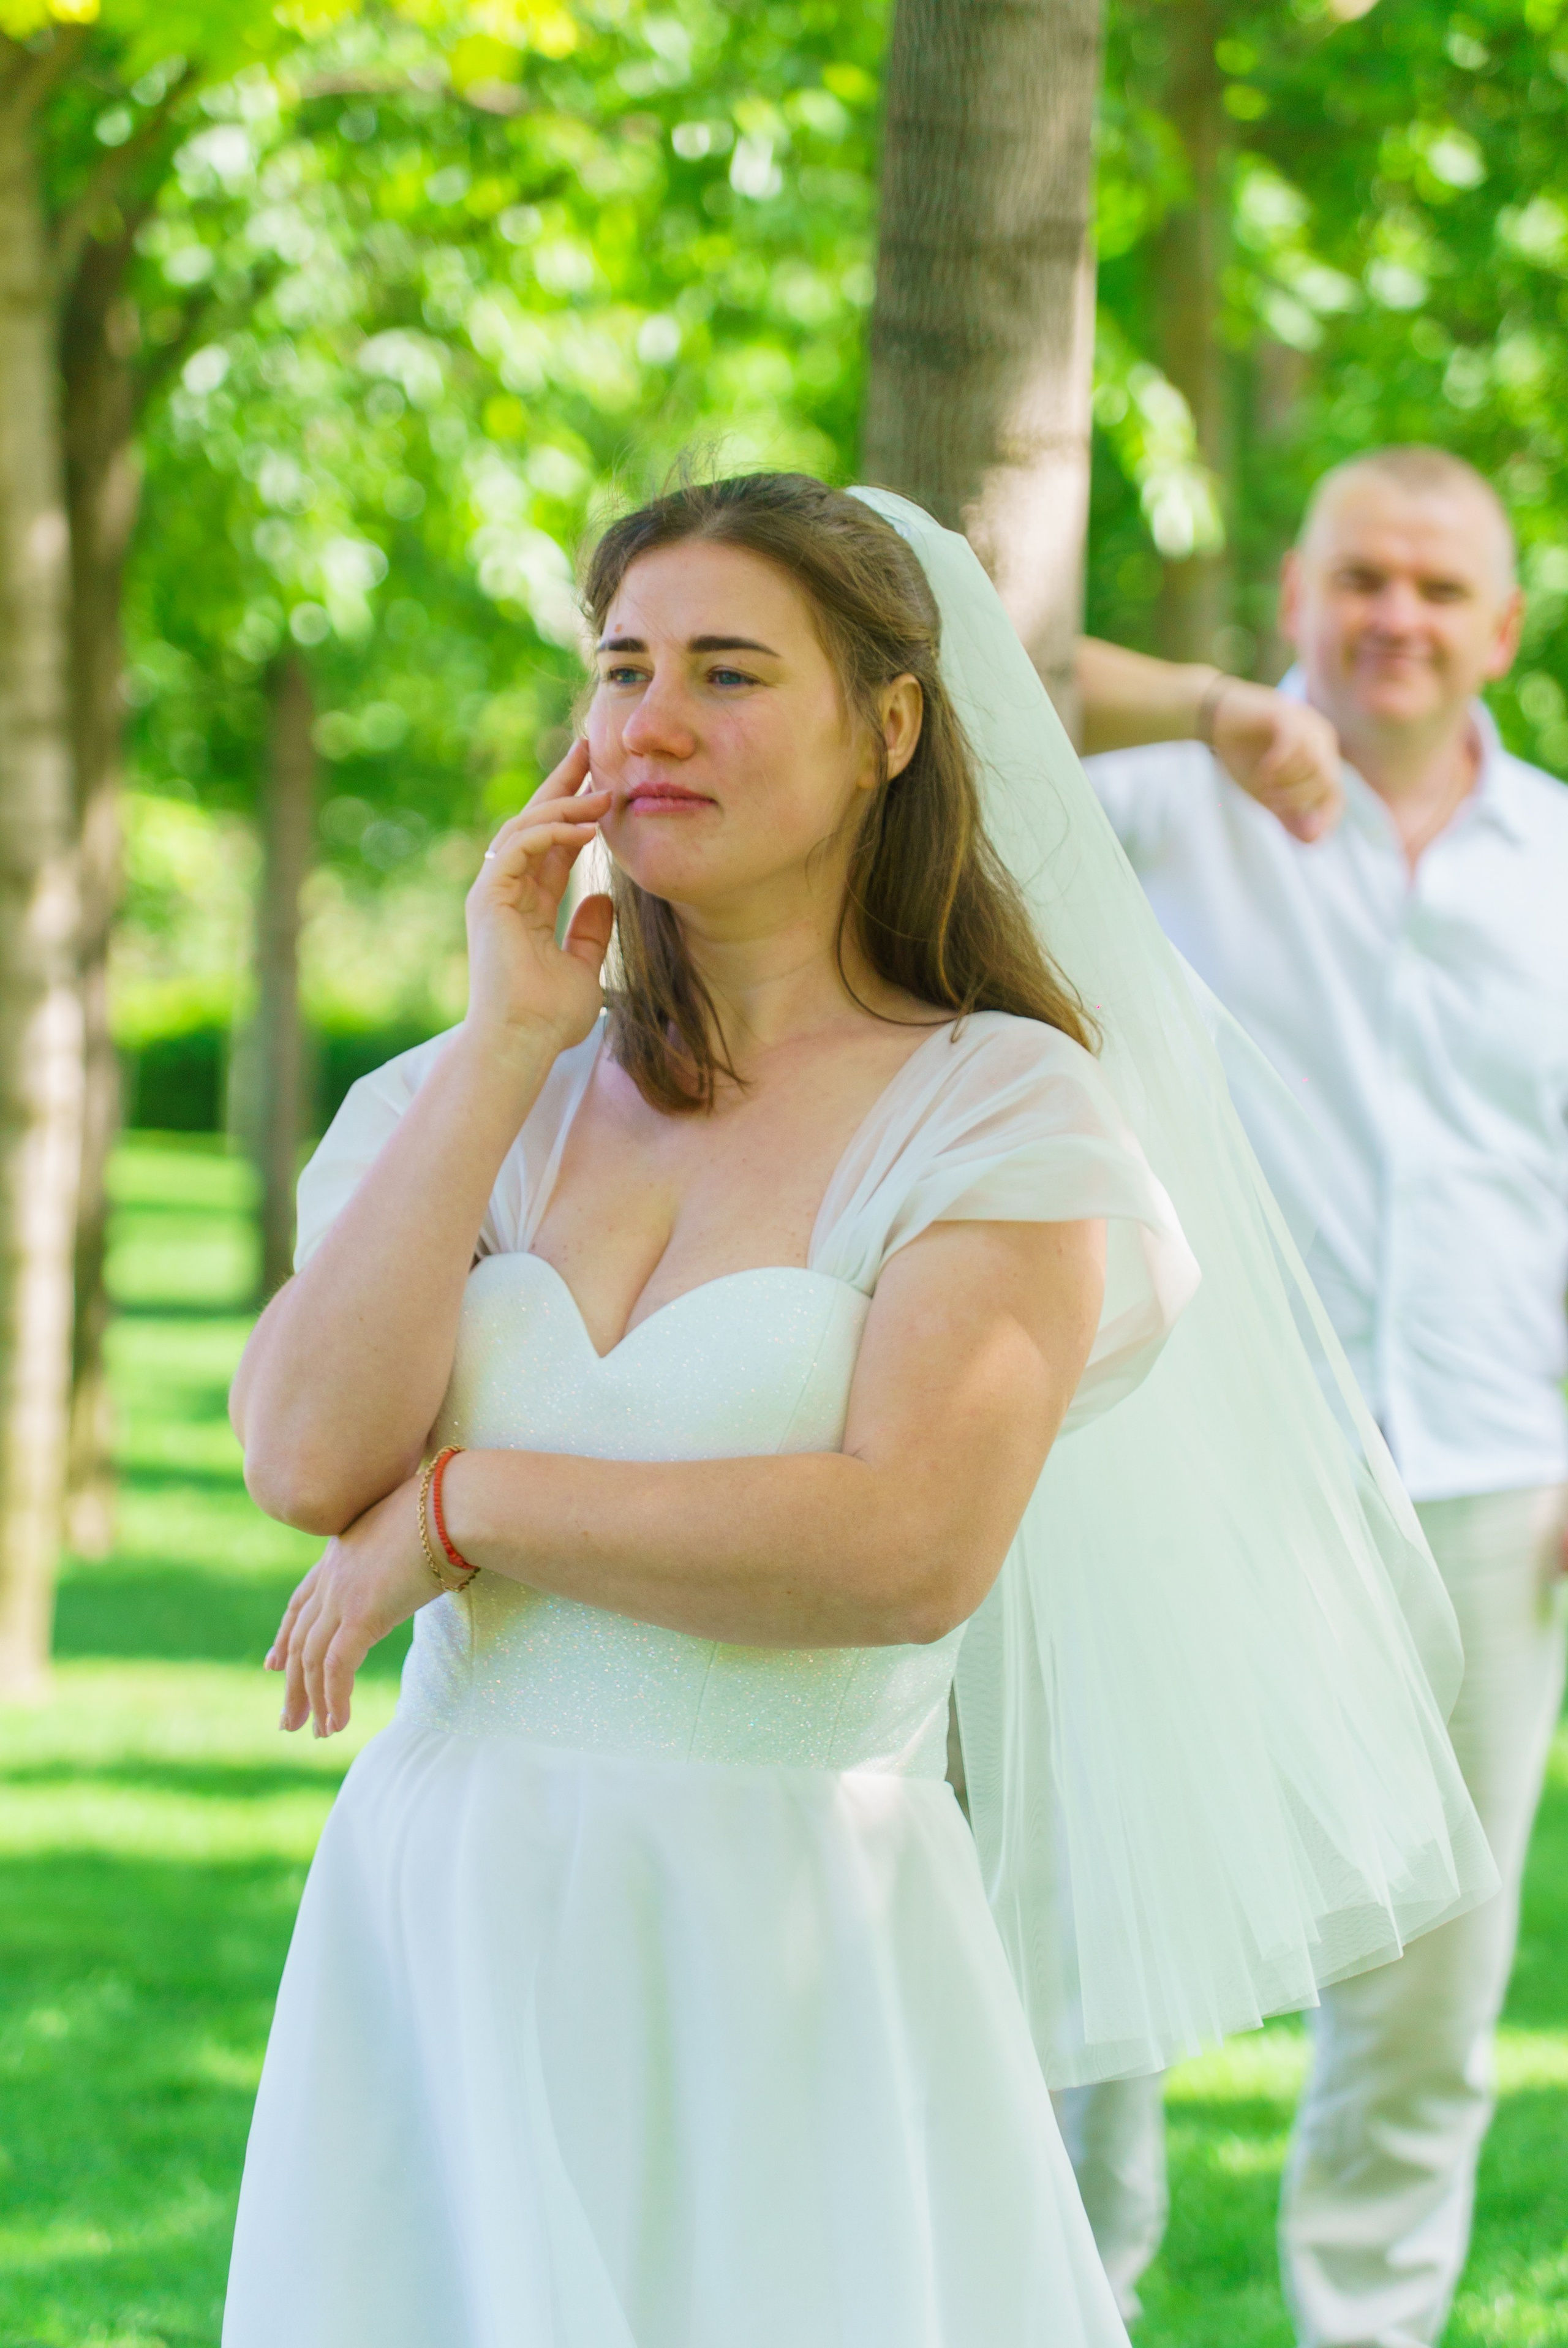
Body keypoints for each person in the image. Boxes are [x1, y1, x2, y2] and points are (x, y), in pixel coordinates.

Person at [221, 475, 1489, 2348]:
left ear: (890, 724)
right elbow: (306, 1460)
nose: (649, 723)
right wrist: (503, 1046)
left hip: (781, 1937)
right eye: (623, 665)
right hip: (444, 1913)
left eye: (728, 672)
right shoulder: (485, 1086)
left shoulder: (1001, 1110)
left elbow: (905, 1544)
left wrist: (467, 1504)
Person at [1070, 444, 1568, 2348]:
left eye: (1443, 589)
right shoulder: (1165, 809)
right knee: (1103, 1924)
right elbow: (962, 666)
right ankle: (1064, 2308)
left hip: (1491, 1476)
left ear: (1502, 626)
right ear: (1294, 594)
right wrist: (1207, 708)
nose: (1398, 618)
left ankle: (1370, 2333)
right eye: (1364, 576)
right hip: (1195, 1467)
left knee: (1436, 1989)